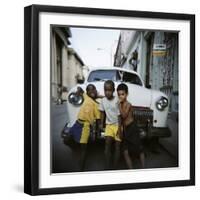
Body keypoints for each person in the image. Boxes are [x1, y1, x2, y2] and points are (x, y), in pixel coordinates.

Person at [68, 84, 101, 170]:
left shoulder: (96, 105)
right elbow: (79, 89)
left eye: (94, 89)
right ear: (87, 92)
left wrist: (96, 132)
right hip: (77, 123)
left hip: (85, 126)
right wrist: (78, 92)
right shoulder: (86, 96)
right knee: (68, 137)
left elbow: (97, 120)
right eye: (90, 90)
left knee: (83, 147)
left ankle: (81, 165)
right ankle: (76, 147)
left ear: (96, 91)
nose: (92, 91)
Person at [117, 83, 145, 169]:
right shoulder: (121, 104)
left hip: (133, 128)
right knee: (125, 151)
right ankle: (131, 171)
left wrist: (118, 106)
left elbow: (124, 115)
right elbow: (121, 119)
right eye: (119, 94)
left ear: (126, 94)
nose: (121, 96)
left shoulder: (128, 104)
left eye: (122, 94)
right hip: (126, 130)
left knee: (139, 149)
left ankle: (144, 168)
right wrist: (120, 129)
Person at [99, 80, 121, 169]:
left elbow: (119, 115)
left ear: (113, 90)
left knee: (117, 146)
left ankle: (115, 166)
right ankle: (108, 166)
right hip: (109, 125)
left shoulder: (117, 100)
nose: (107, 92)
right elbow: (102, 113)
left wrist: (120, 128)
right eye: (106, 90)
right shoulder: (103, 100)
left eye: (109, 90)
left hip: (118, 125)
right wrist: (101, 124)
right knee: (107, 144)